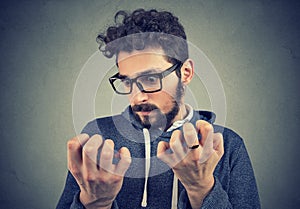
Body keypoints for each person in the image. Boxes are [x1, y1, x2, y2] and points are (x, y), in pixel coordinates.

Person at [56, 8, 261, 209]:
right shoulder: (98, 138)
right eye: (127, 82)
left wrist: (202, 189)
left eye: (151, 79)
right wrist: (94, 204)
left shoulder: (227, 146)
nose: (138, 97)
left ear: (186, 73)